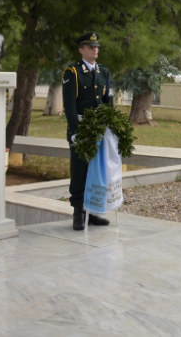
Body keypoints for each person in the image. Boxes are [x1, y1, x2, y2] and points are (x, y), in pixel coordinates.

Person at [62, 32, 113, 230]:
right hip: (81, 129)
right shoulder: (73, 72)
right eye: (91, 46)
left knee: (97, 170)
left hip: (99, 130)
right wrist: (75, 131)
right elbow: (70, 105)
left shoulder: (103, 72)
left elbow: (108, 101)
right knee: (80, 170)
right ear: (81, 49)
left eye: (96, 46)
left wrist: (111, 126)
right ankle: (78, 212)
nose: (95, 49)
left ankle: (92, 212)